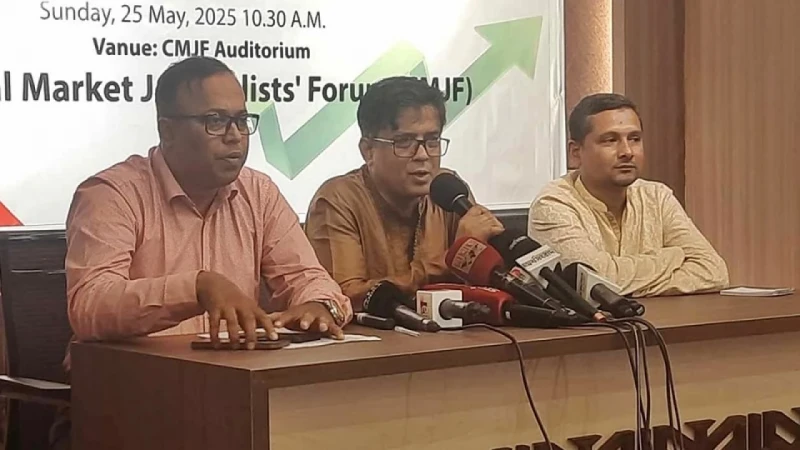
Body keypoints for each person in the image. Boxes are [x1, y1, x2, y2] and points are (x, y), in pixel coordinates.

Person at [50, 56, 352, 449]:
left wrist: (319, 306)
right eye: (215, 121)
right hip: (127, 402)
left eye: (241, 121)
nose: (235, 136)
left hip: (232, 397)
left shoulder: (258, 192)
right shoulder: (112, 194)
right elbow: (90, 306)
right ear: (167, 130)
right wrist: (196, 288)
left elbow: (308, 278)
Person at [304, 76, 504, 308]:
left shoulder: (448, 190)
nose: (422, 155)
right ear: (368, 151)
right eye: (404, 142)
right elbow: (347, 297)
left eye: (432, 140)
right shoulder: (337, 201)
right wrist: (454, 258)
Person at [528, 93, 729, 297]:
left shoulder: (657, 196)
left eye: (634, 139)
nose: (627, 152)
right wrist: (673, 256)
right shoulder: (552, 204)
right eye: (610, 140)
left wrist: (627, 285)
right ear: (575, 152)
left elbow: (713, 271)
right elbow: (593, 282)